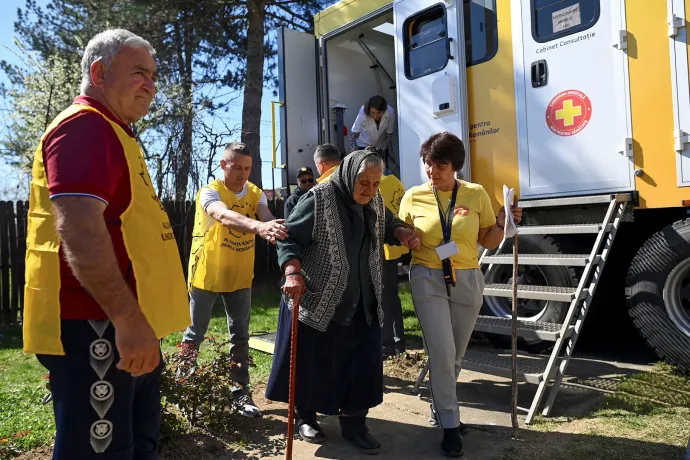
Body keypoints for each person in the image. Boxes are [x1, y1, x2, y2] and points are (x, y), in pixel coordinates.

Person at [23, 29, 191, 459]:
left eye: (154, 74)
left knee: (133, 444)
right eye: (139, 73)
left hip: (123, 324)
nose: (152, 85)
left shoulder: (115, 132)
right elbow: (79, 231)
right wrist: (127, 320)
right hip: (98, 327)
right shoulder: (85, 128)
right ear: (99, 72)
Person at [265, 150, 420, 454]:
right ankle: (306, 417)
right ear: (349, 174)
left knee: (360, 364)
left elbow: (387, 222)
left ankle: (355, 426)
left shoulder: (373, 199)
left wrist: (401, 231)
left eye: (376, 183)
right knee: (314, 364)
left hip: (363, 298)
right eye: (364, 182)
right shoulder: (318, 199)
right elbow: (288, 237)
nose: (371, 189)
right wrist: (293, 272)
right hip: (319, 299)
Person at [398, 132, 522, 458]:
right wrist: (406, 238)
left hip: (467, 277)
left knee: (454, 354)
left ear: (456, 166)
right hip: (427, 277)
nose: (432, 171)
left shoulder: (475, 193)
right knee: (441, 350)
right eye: (428, 164)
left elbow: (489, 240)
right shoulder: (413, 196)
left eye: (440, 165)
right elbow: (399, 238)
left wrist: (503, 222)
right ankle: (451, 425)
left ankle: (441, 408)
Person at [179, 141, 288, 418]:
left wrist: (275, 226)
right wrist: (259, 227)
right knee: (194, 334)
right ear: (223, 165)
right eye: (237, 167)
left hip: (239, 274)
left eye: (248, 168)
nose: (243, 173)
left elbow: (266, 216)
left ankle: (239, 392)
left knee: (240, 337)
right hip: (207, 272)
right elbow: (222, 215)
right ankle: (185, 390)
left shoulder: (255, 193)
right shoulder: (210, 192)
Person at [377, 157, 409, 359]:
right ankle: (399, 343)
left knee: (383, 299)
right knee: (392, 297)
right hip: (396, 245)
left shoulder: (376, 183)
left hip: (382, 246)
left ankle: (386, 344)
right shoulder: (396, 181)